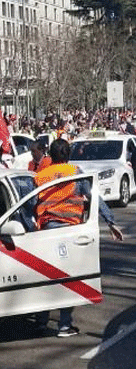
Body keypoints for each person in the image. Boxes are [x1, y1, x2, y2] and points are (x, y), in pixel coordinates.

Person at [33, 138, 123, 337]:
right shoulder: (75, 173)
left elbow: (31, 202)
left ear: (52, 156)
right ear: (68, 155)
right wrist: (110, 221)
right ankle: (64, 325)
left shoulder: (41, 176)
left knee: (46, 277)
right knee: (68, 279)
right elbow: (94, 197)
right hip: (68, 232)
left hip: (46, 231)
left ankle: (40, 321)